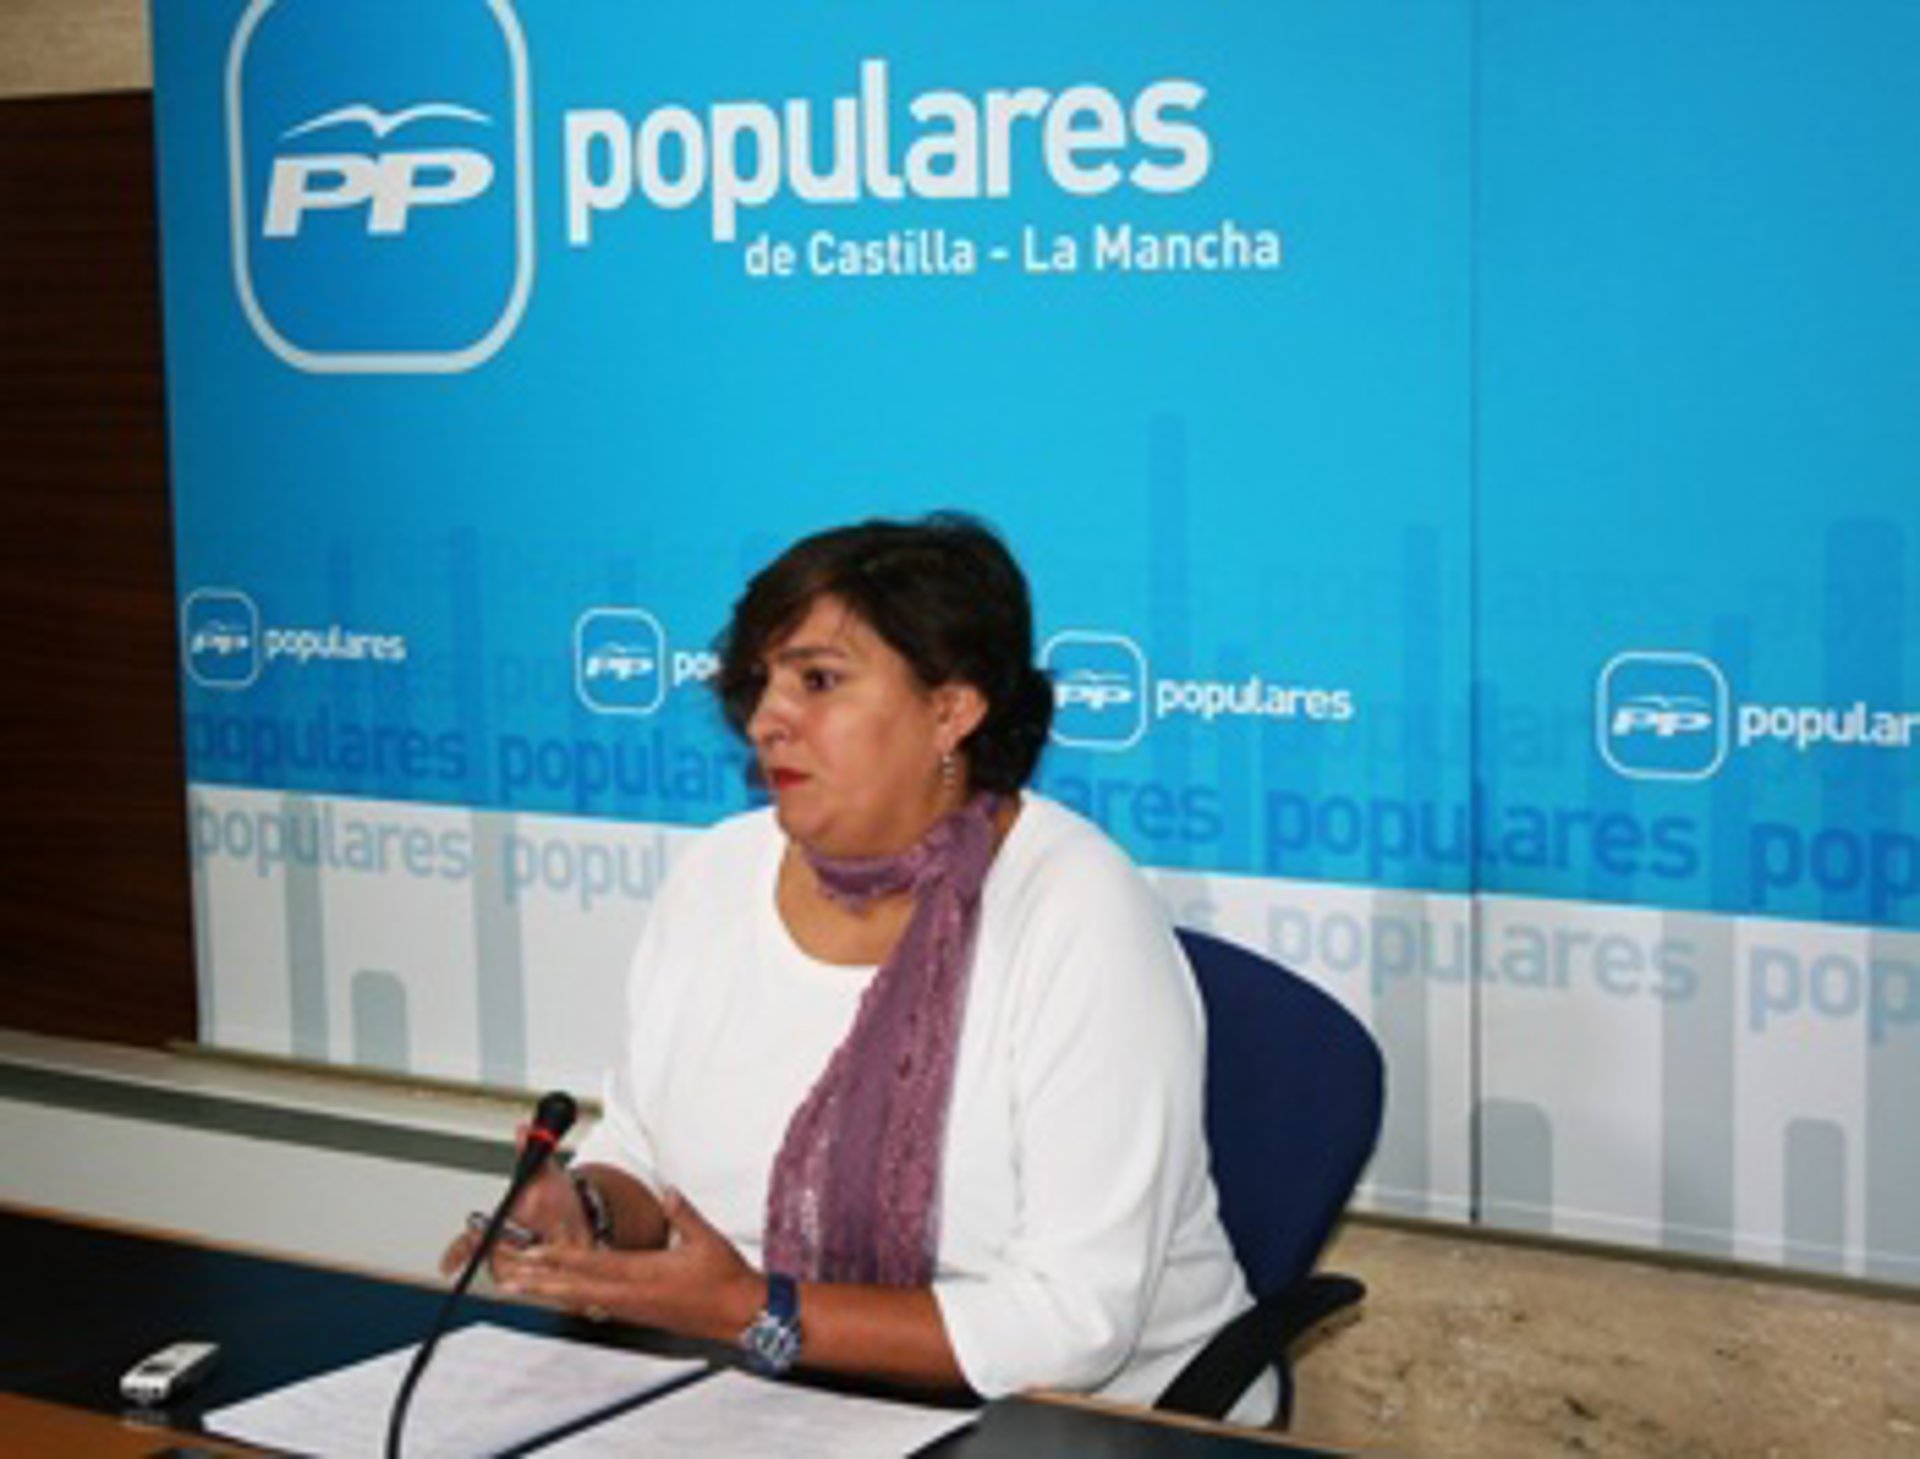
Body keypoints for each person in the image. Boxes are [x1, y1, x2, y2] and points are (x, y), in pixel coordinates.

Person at [444, 514, 1274, 1421]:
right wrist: (587, 1214)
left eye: (818, 680)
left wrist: (755, 1310)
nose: (768, 718)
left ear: (951, 710)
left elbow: (1075, 1322)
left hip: (1090, 1422)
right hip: (787, 1398)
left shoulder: (1076, 911)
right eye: (760, 683)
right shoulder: (715, 874)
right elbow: (643, 1147)